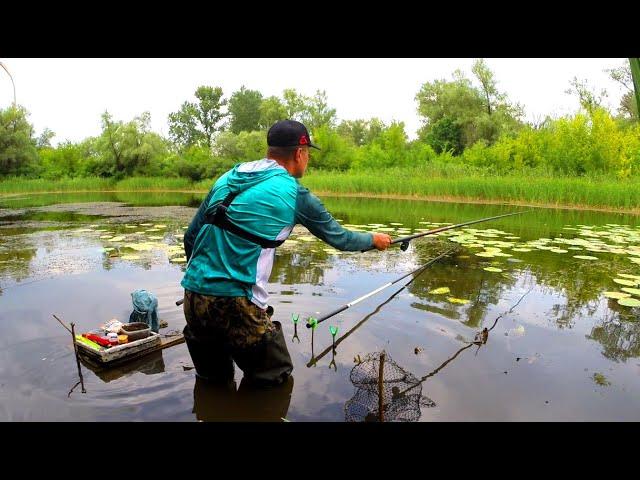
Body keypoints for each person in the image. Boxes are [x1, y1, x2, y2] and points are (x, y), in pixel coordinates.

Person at [181, 119, 392, 386]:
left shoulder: (226, 179)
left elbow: (190, 237)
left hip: (193, 296)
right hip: (238, 302)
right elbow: (339, 238)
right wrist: (373, 239)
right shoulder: (295, 194)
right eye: (309, 154)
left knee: (212, 380)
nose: (309, 160)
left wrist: (202, 288)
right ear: (299, 153)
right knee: (274, 377)